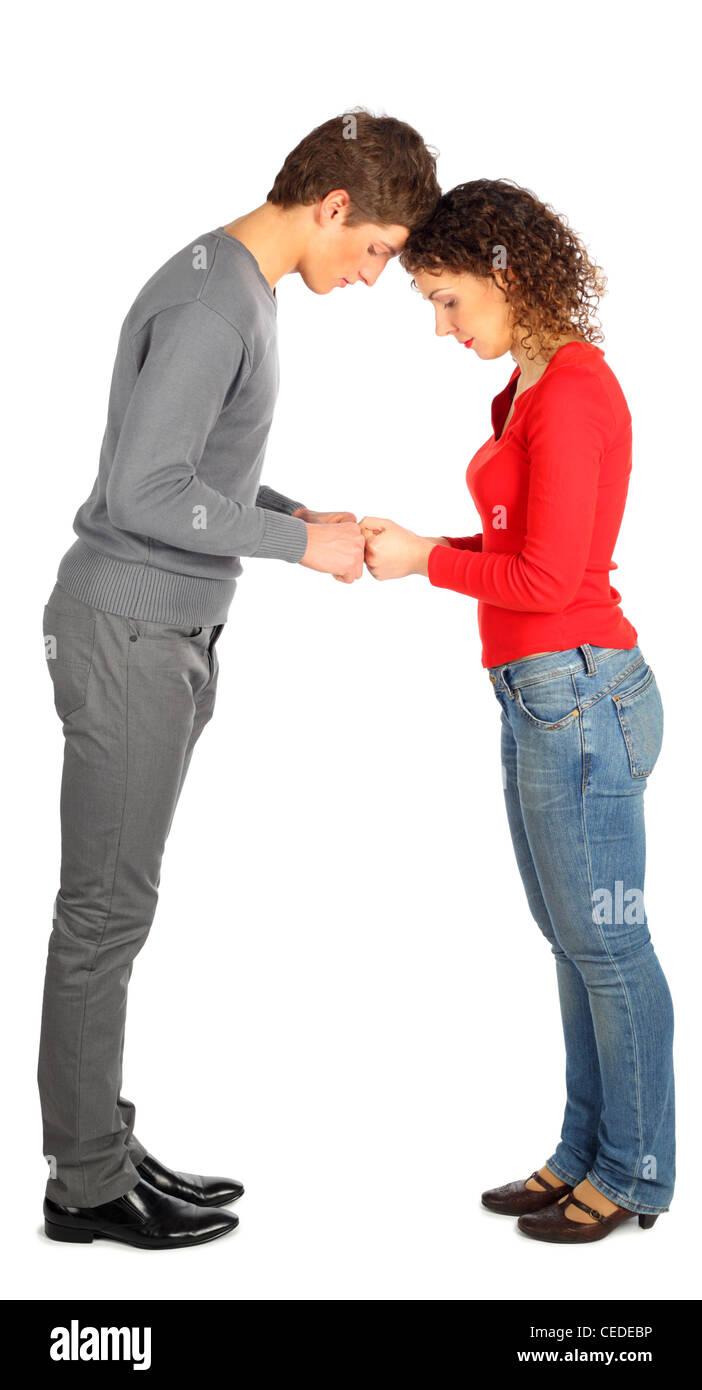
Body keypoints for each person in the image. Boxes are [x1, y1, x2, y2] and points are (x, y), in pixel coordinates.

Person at [39, 108, 441, 1251]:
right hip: (130, 635)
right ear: (331, 207)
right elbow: (143, 496)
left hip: (162, 633)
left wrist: (287, 511)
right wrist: (301, 547)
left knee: (119, 905)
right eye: (375, 250)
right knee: (105, 915)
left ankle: (101, 1137)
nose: (372, 278)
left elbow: (188, 475)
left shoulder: (229, 283)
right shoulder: (221, 300)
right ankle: (84, 1181)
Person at [358, 178, 674, 1245]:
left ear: (506, 273)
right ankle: (584, 1147)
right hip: (541, 692)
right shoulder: (527, 389)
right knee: (572, 940)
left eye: (449, 301)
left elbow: (547, 579)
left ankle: (635, 1169)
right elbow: (528, 552)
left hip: (578, 692)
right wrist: (422, 550)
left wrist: (424, 564)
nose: (443, 329)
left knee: (610, 946)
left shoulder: (575, 391)